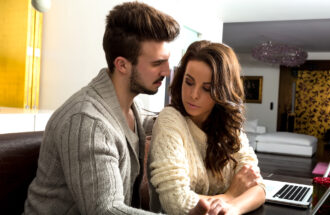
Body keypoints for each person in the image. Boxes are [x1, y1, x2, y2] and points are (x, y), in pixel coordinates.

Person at [24, 2, 214, 214]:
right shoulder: (88, 121)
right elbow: (106, 210)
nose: (167, 71)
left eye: (167, 61)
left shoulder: (132, 108)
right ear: (122, 65)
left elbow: (171, 124)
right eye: (157, 63)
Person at [148, 40, 266, 215]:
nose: (194, 95)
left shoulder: (229, 127)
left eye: (207, 88)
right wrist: (231, 194)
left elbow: (258, 186)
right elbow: (176, 201)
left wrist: (233, 208)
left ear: (222, 92)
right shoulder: (170, 119)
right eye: (189, 82)